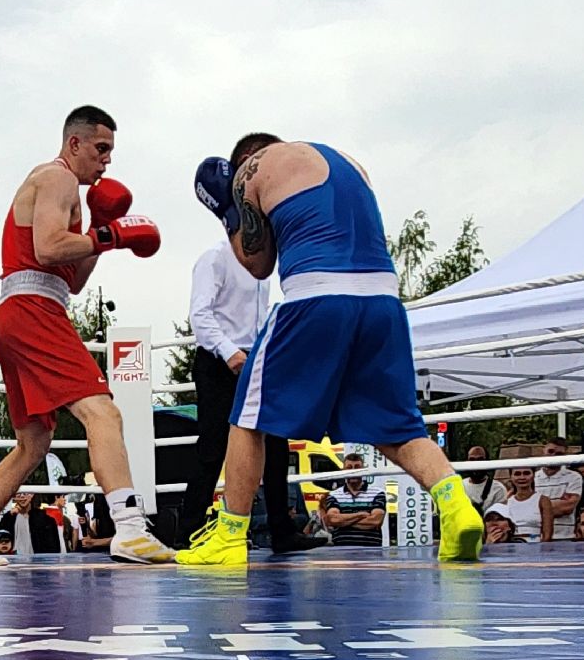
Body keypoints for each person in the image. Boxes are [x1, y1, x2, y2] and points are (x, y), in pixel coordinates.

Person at [177, 134, 482, 565]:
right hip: (384, 303)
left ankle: (228, 540)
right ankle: (457, 507)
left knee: (246, 418)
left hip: (316, 294)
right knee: (399, 427)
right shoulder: (351, 164)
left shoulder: (254, 169)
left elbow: (258, 262)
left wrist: (231, 211)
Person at [0, 105, 173, 568]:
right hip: (32, 310)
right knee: (103, 412)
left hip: (23, 310)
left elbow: (72, 279)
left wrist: (100, 233)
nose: (107, 160)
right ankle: (130, 529)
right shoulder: (57, 178)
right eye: (101, 148)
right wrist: (109, 234)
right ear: (75, 143)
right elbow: (48, 248)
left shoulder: (68, 193)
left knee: (33, 444)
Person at [179, 211, 323, 554]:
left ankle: (282, 530)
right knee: (213, 447)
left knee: (275, 443)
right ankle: (188, 530)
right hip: (218, 361)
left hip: (257, 358)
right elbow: (199, 313)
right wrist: (229, 352)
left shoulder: (262, 268)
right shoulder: (214, 259)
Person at [320, 453, 387, 546]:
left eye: (357, 467)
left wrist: (343, 522)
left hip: (371, 551)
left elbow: (375, 521)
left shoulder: (378, 493)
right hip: (342, 552)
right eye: (349, 468)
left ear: (363, 470)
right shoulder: (334, 495)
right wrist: (360, 514)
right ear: (343, 471)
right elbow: (333, 520)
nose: (353, 471)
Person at [534, 437, 582, 540]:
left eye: (559, 454)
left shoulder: (574, 477)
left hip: (565, 537)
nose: (553, 456)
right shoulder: (532, 478)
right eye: (550, 451)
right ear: (543, 451)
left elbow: (567, 507)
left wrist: (535, 507)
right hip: (536, 537)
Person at [504, 466, 554, 543]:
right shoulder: (507, 502)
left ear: (533, 475)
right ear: (511, 477)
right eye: (517, 474)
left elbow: (547, 535)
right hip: (512, 547)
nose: (522, 477)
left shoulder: (543, 500)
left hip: (536, 547)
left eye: (526, 473)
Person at [461, 446, 508, 513]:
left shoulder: (498, 489)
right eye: (472, 460)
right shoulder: (459, 487)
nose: (476, 464)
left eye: (480, 460)